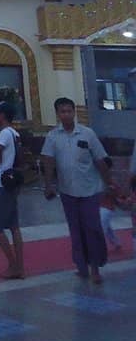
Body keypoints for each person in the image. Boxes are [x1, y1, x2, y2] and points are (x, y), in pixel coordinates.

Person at [41, 97, 114, 283]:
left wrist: (109, 184)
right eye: (62, 111)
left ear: (74, 112)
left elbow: (100, 160)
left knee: (92, 228)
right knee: (76, 229)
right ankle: (81, 266)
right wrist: (48, 185)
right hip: (67, 191)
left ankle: (96, 268)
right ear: (57, 114)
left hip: (90, 189)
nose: (66, 114)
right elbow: (48, 162)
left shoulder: (87, 134)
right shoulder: (52, 137)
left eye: (69, 111)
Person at [0, 101, 24, 279]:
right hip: (13, 182)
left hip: (3, 183)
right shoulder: (15, 133)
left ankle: (13, 264)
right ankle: (20, 266)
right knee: (14, 226)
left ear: (3, 115)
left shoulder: (4, 133)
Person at [99, 159, 125, 255]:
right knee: (108, 228)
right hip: (99, 207)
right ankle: (117, 243)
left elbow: (118, 194)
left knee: (101, 229)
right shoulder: (99, 178)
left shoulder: (110, 180)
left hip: (106, 208)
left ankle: (100, 249)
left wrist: (115, 195)